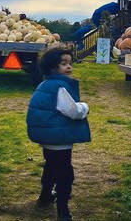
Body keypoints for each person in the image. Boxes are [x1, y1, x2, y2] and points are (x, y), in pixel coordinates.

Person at [26, 48, 91, 221]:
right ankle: (63, 208)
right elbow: (72, 110)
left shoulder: (44, 84)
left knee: (50, 166)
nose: (69, 67)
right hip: (59, 139)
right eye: (64, 64)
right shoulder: (60, 87)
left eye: (70, 63)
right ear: (52, 67)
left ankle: (45, 194)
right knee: (65, 173)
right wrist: (84, 107)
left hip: (48, 139)